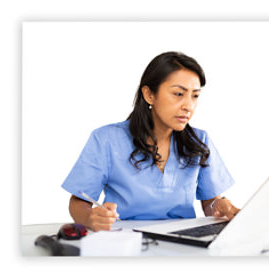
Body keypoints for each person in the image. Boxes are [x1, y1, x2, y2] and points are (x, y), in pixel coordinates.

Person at [62, 51, 240, 231]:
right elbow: (78, 201)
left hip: (182, 242)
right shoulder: (107, 140)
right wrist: (91, 219)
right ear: (149, 95)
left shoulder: (200, 140)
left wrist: (219, 206)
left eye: (195, 96)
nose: (189, 106)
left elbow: (209, 203)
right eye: (178, 94)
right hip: (125, 240)